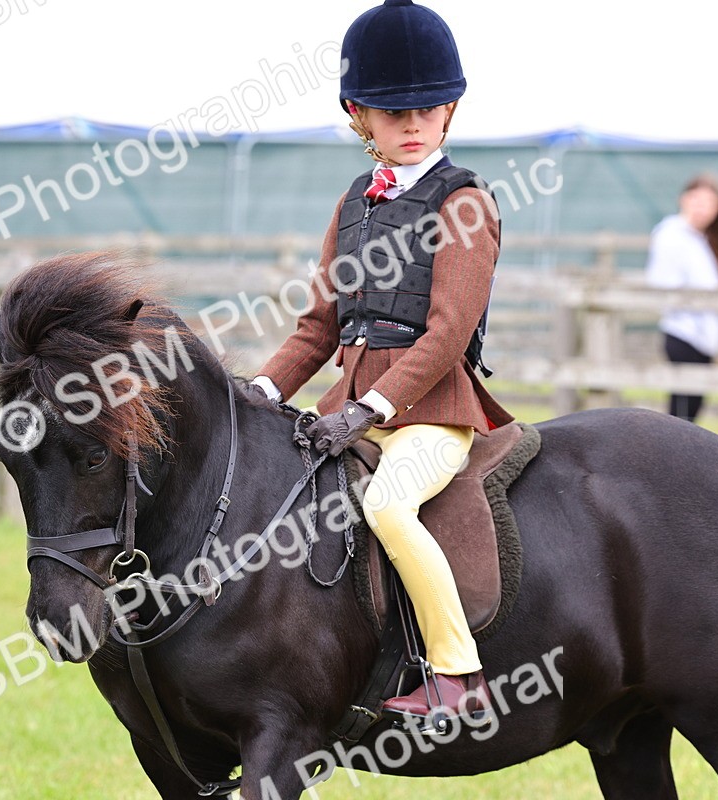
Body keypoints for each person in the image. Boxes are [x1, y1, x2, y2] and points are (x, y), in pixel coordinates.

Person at [244, 0, 513, 730]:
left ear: (451, 107)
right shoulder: (353, 207)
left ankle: (458, 675)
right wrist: (261, 391)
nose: (414, 123)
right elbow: (318, 327)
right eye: (395, 113)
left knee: (386, 507)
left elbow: (448, 333)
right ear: (361, 115)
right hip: (347, 411)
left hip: (429, 416)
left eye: (428, 108)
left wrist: (373, 408)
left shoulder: (463, 204)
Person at [645, 174, 718, 422]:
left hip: (703, 337)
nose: (703, 208)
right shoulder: (671, 235)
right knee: (681, 411)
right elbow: (663, 282)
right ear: (684, 200)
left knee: (692, 407)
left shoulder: (700, 240)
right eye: (698, 200)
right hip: (683, 331)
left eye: (709, 202)